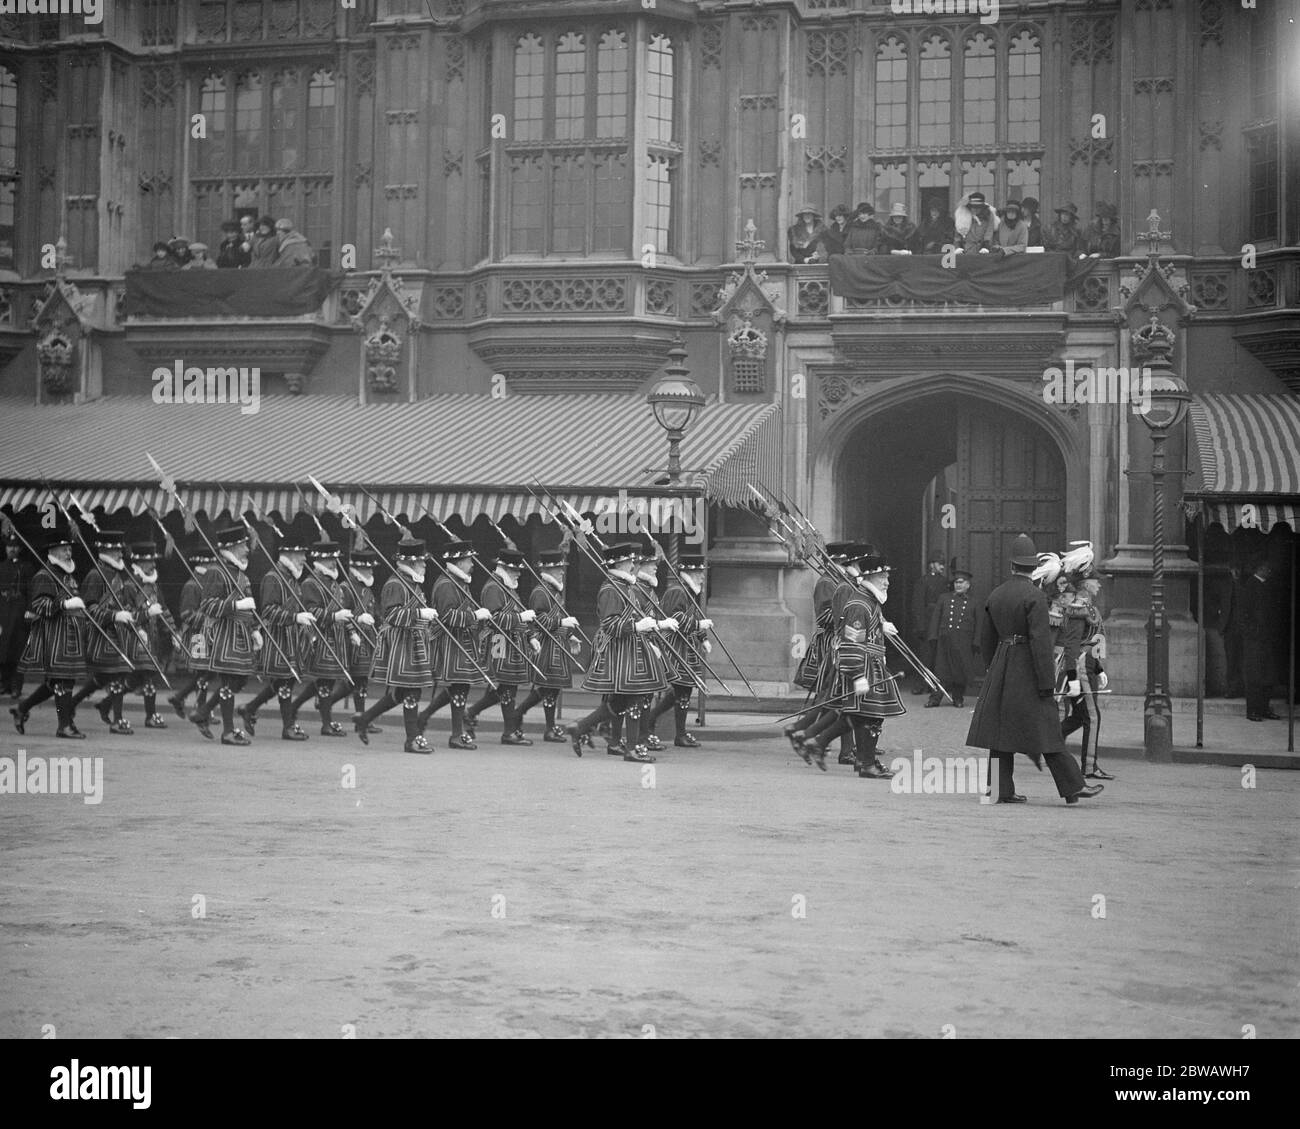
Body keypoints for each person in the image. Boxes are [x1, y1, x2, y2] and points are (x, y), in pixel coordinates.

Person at [965, 533, 1103, 805]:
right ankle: (1073, 786)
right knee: (1047, 728)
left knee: (999, 730)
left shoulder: (996, 594)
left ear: (1012, 565)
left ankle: (999, 789)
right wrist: (1045, 682)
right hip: (1027, 667)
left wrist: (994, 668)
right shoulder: (1035, 596)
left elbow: (986, 639)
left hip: (1002, 664)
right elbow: (1040, 642)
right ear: (1033, 567)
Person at [801, 545, 901, 779]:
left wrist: (880, 626)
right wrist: (857, 675)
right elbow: (852, 641)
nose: (887, 581)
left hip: (872, 663)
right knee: (870, 714)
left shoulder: (869, 601)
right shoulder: (859, 604)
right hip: (864, 666)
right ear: (868, 578)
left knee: (861, 714)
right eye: (882, 577)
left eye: (887, 577)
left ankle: (823, 745)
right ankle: (865, 763)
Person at [566, 542, 667, 764]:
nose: (634, 564)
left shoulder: (623, 586)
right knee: (633, 698)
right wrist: (638, 626)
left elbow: (628, 617)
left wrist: (650, 624)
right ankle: (631, 749)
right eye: (630, 561)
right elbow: (610, 624)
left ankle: (580, 726)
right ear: (620, 563)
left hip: (630, 649)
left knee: (621, 702)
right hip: (621, 652)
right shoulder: (611, 589)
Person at [353, 538, 440, 753]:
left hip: (415, 642)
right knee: (411, 692)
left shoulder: (413, 583)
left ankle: (365, 718)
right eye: (421, 562)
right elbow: (391, 615)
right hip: (402, 643)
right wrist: (420, 613)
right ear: (411, 564)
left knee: (402, 693)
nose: (425, 565)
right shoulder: (395, 584)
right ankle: (412, 739)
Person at [11, 529, 87, 739]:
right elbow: (39, 605)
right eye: (64, 549)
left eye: (69, 548)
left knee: (56, 682)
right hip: (53, 636)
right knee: (62, 681)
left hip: (69, 635)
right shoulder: (44, 576)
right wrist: (64, 603)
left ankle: (21, 709)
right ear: (52, 551)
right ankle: (64, 726)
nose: (68, 553)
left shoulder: (67, 576)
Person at [786, 542, 857, 766]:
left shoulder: (841, 581)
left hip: (839, 640)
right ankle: (838, 746)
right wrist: (847, 614)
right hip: (830, 644)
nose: (844, 567)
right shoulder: (827, 582)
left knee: (838, 697)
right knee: (837, 696)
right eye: (840, 563)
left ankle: (842, 745)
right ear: (830, 562)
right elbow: (824, 617)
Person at [187, 525, 259, 745]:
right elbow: (207, 605)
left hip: (241, 635)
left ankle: (203, 712)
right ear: (233, 547)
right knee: (229, 682)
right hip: (223, 635)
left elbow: (250, 607)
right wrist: (235, 604)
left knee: (239, 680)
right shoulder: (215, 572)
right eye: (243, 545)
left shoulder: (242, 574)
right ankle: (228, 731)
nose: (247, 548)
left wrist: (255, 629)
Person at [71, 529, 147, 735]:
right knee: (119, 673)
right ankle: (117, 719)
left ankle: (72, 705)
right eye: (115, 551)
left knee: (107, 677)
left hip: (118, 634)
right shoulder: (96, 574)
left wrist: (137, 624)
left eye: (120, 550)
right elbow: (89, 607)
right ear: (104, 551)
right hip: (101, 635)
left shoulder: (116, 575)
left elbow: (124, 605)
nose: (120, 554)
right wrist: (113, 616)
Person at [416, 540, 492, 749]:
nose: (472, 564)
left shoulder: (459, 582)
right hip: (450, 643)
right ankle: (456, 735)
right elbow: (447, 617)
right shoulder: (447, 585)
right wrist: (474, 615)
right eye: (468, 560)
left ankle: (425, 717)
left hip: (461, 641)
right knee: (458, 687)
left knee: (459, 687)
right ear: (458, 562)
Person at [462, 547, 541, 745]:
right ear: (505, 568)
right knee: (506, 685)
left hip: (513, 641)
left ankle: (472, 713)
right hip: (499, 641)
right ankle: (508, 731)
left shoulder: (509, 587)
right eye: (515, 570)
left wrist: (530, 635)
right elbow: (493, 619)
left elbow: (518, 611)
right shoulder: (493, 588)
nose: (519, 573)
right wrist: (520, 618)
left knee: (507, 685)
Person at [237, 534, 310, 741]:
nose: (304, 558)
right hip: (277, 638)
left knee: (284, 682)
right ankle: (287, 727)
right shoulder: (273, 578)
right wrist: (295, 617)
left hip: (291, 639)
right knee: (285, 682)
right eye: (301, 554)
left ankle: (249, 708)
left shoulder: (291, 578)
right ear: (289, 554)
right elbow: (268, 611)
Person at [512, 548, 580, 743]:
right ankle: (521, 714)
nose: (561, 571)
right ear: (548, 571)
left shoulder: (553, 591)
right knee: (545, 686)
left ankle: (548, 727)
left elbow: (559, 617)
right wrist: (561, 624)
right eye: (558, 568)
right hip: (544, 645)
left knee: (552, 688)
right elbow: (538, 620)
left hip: (557, 644)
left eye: (561, 568)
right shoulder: (540, 591)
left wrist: (570, 634)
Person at [646, 556, 713, 750]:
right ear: (690, 573)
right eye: (699, 573)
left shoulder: (688, 591)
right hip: (676, 646)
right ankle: (658, 722)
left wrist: (703, 637)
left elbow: (693, 615)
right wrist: (698, 625)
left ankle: (679, 732)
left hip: (687, 646)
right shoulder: (678, 591)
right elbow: (674, 618)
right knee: (680, 688)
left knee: (684, 690)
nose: (702, 577)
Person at [288, 542, 353, 737]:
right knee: (325, 681)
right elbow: (311, 611)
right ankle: (326, 723)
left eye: (335, 558)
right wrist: (334, 616)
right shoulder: (310, 583)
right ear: (320, 560)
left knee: (327, 680)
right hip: (320, 636)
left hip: (336, 637)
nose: (334, 562)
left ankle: (295, 707)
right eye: (330, 559)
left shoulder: (334, 582)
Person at [326, 547, 382, 735]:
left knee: (360, 681)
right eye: (368, 569)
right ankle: (355, 716)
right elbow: (341, 613)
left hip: (367, 638)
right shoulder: (345, 588)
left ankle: (361, 717)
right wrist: (356, 623)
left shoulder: (367, 589)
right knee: (356, 680)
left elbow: (375, 611)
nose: (371, 573)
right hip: (352, 639)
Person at [126, 541, 174, 729]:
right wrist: (144, 618)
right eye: (149, 561)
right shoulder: (130, 585)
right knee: (149, 676)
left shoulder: (153, 586)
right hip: (135, 638)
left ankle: (106, 703)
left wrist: (172, 632)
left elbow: (164, 611)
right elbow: (126, 612)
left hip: (152, 641)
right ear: (139, 563)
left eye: (153, 561)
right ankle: (150, 715)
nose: (153, 565)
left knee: (137, 679)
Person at [167, 540, 215, 721]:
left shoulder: (208, 582)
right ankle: (200, 709)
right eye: (212, 562)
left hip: (209, 634)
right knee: (203, 672)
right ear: (204, 563)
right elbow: (186, 614)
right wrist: (208, 619)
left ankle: (181, 698)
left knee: (208, 672)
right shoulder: (192, 585)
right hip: (197, 635)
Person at [1061, 629, 1113, 780]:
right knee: (1092, 718)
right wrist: (1072, 678)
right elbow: (1072, 645)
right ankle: (1089, 767)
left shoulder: (1086, 607)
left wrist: (1098, 669)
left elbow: (1090, 641)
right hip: (1080, 666)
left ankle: (1048, 739)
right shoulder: (1078, 608)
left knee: (1079, 717)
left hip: (1087, 664)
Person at [927, 566, 979, 708]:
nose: (958, 585)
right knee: (941, 671)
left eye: (961, 582)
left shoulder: (973, 602)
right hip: (945, 641)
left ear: (968, 585)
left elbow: (978, 624)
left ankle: (958, 698)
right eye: (956, 582)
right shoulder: (944, 598)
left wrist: (976, 642)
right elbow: (936, 619)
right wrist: (933, 637)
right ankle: (935, 698)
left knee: (959, 671)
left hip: (963, 643)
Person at [912, 552, 949, 694]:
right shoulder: (923, 581)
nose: (942, 567)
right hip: (927, 624)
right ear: (932, 564)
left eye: (943, 564)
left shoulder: (945, 581)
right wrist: (920, 626)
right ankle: (920, 684)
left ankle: (934, 685)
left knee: (938, 655)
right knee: (925, 655)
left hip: (940, 623)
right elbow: (918, 605)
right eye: (940, 564)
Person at [0, 531, 31, 699]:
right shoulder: (1, 567)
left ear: (19, 549)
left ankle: (16, 687)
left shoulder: (26, 568)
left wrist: (29, 611)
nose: (11, 549)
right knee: (3, 651)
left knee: (18, 652)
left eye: (14, 546)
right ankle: (4, 684)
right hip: (3, 613)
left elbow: (30, 592)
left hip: (19, 613)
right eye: (9, 546)